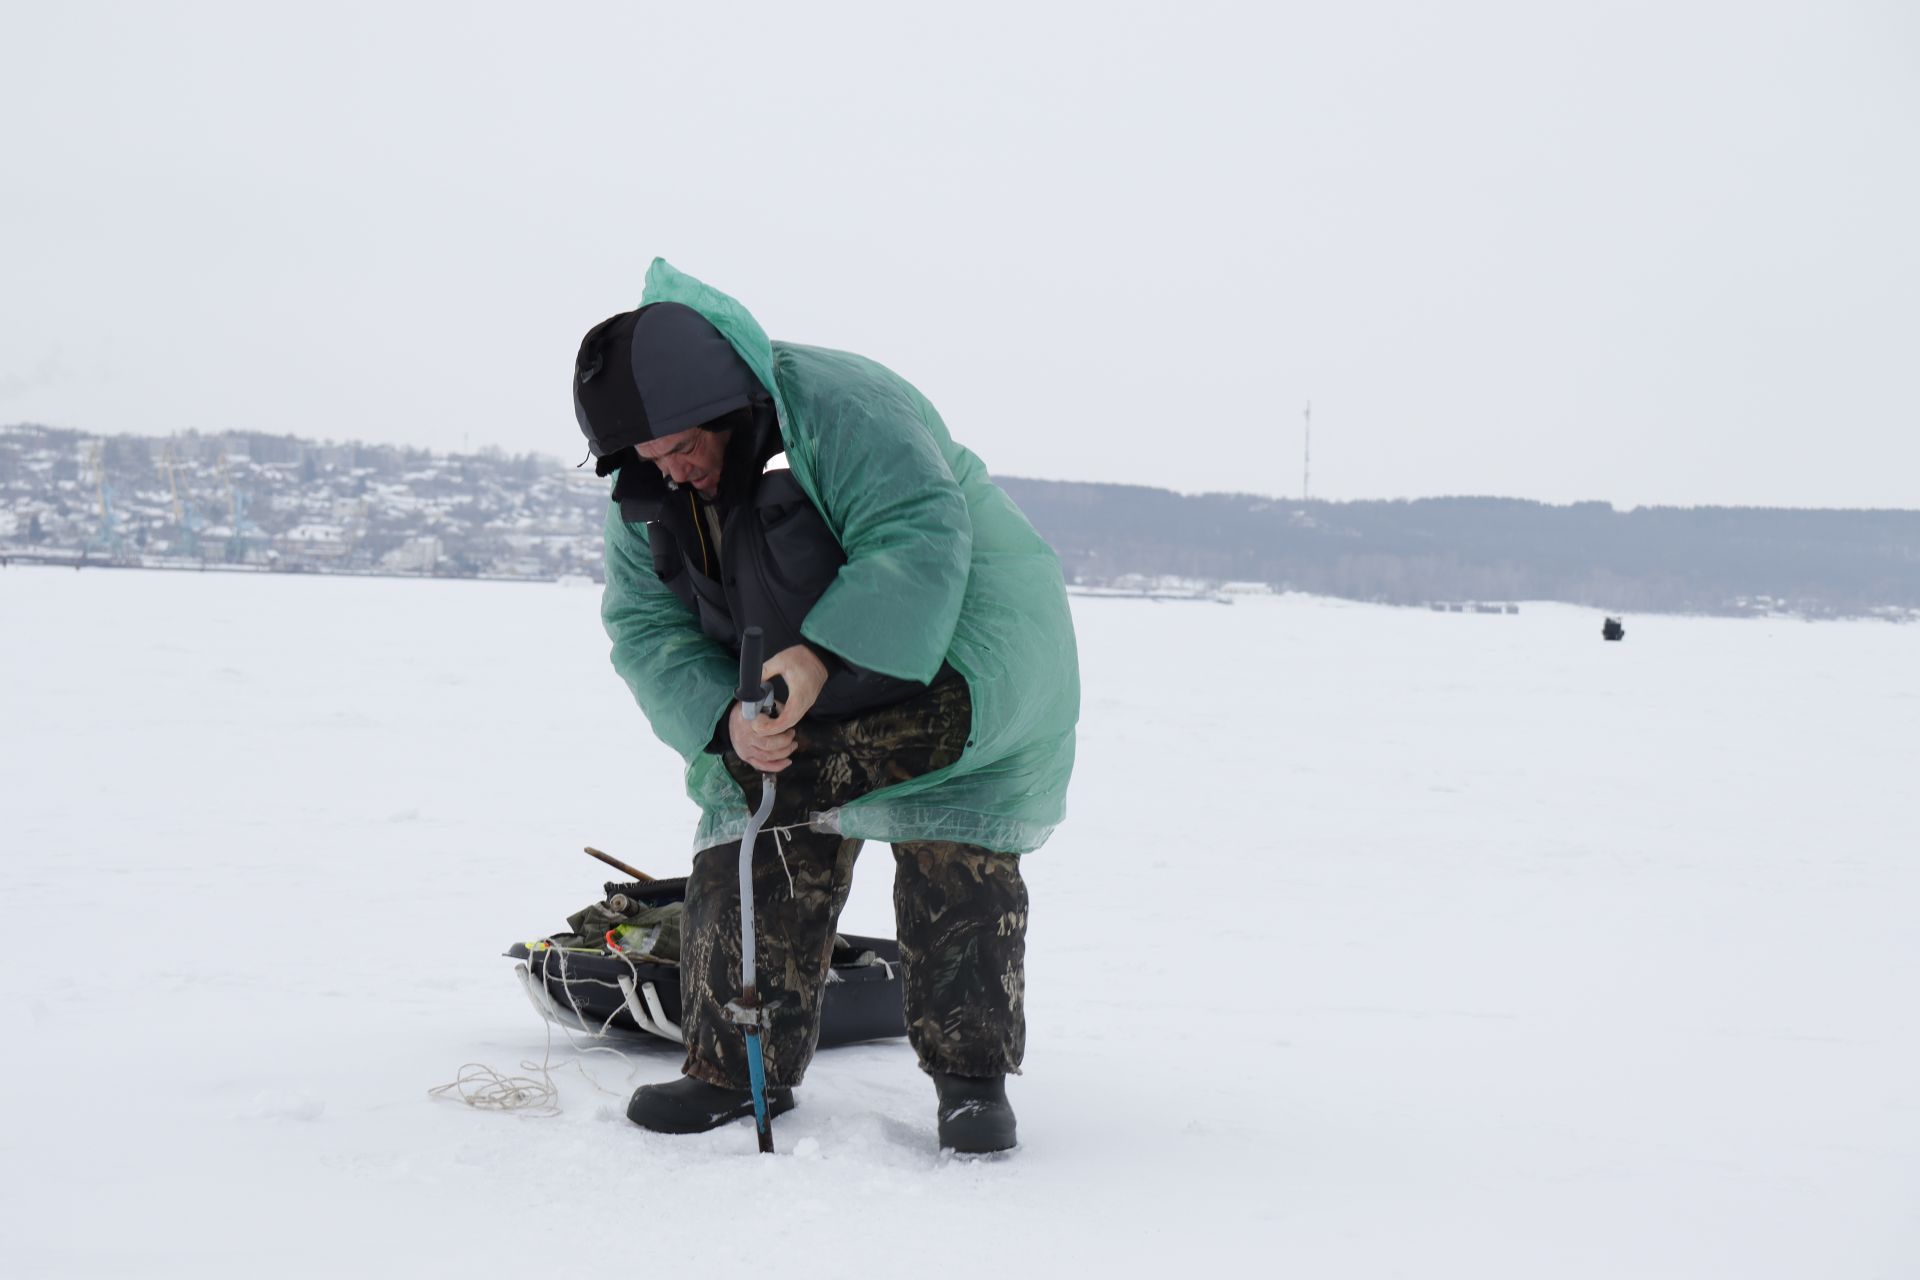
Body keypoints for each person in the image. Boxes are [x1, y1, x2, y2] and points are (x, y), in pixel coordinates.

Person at [573, 260, 1079, 1153]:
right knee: (753, 798)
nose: (675, 470)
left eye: (685, 446)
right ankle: (731, 1065)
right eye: (651, 459)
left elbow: (918, 533)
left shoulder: (842, 405)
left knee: (947, 833)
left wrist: (825, 654)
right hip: (791, 678)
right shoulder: (652, 488)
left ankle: (971, 1082)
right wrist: (722, 722)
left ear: (727, 406)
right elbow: (643, 626)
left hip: (962, 647)